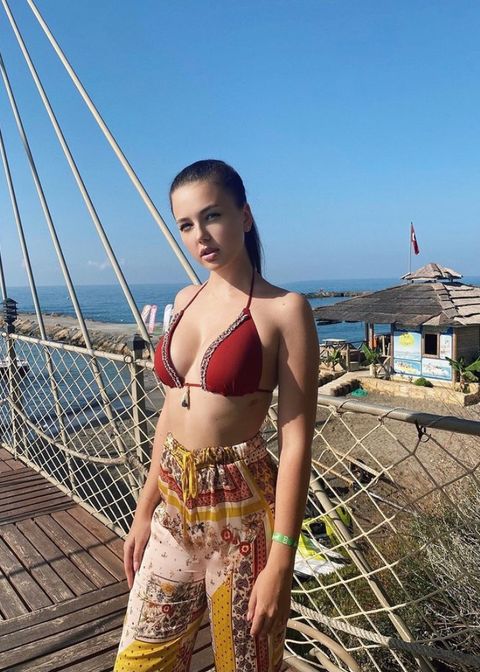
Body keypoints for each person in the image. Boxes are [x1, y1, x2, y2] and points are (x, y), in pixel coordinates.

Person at [113, 159, 319, 672]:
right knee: (139, 662)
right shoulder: (185, 300)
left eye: (212, 216)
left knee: (244, 664)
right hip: (173, 506)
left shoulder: (285, 309)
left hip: (243, 515)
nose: (200, 236)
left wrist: (281, 561)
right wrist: (143, 510)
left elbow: (296, 441)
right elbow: (170, 412)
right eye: (186, 224)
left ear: (244, 216)